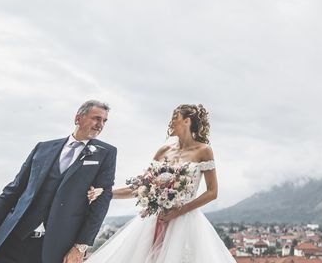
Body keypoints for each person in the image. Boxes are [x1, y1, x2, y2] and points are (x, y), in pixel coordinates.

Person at [85, 104, 234, 263]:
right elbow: (142, 186)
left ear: (187, 121)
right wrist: (107, 193)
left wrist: (178, 211)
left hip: (185, 222)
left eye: (175, 118)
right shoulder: (163, 151)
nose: (170, 123)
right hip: (155, 219)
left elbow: (212, 192)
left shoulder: (204, 150)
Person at [0, 100, 117, 263]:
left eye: (104, 121)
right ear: (78, 118)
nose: (100, 125)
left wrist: (81, 246)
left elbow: (102, 202)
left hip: (55, 248)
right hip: (13, 239)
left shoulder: (106, 154)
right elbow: (13, 190)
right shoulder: (43, 148)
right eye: (96, 118)